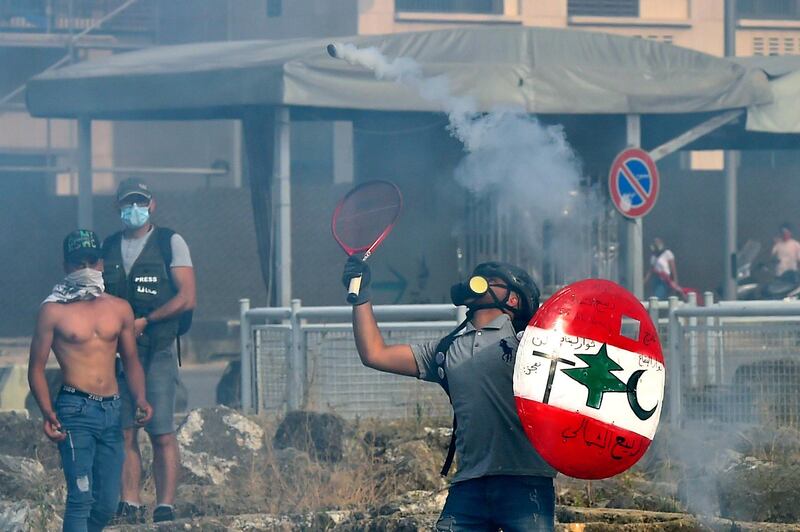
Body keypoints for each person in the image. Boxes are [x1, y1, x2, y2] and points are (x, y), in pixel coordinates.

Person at [342, 257, 557, 531]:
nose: (480, 282)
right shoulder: (446, 349)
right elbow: (375, 354)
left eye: (493, 281)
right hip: (469, 484)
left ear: (513, 300)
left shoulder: (528, 343)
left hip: (525, 481)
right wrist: (361, 297)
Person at [28, 229, 152, 532]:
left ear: (101, 263)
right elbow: (36, 368)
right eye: (77, 261)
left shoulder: (119, 308)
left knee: (107, 503)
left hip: (112, 410)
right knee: (80, 497)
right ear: (66, 265)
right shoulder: (53, 311)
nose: (85, 267)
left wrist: (140, 398)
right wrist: (47, 412)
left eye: (91, 260)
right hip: (75, 409)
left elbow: (131, 359)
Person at [102, 178, 196, 524]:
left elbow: (187, 296)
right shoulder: (108, 246)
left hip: (157, 348)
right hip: (117, 355)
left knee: (161, 430)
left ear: (152, 204)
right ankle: (130, 502)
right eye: (128, 203)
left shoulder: (170, 242)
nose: (134, 209)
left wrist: (146, 320)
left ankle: (165, 506)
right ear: (118, 208)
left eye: (140, 202)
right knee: (124, 430)